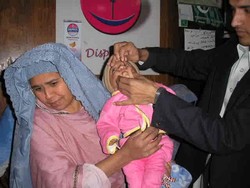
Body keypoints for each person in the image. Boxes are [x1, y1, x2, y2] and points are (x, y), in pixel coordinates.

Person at [109, 0, 250, 187]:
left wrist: (157, 97)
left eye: (247, 10)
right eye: (233, 10)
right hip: (192, 171)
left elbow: (227, 136)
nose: (234, 21)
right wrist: (142, 54)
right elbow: (190, 62)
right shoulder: (232, 49)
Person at [3, 43, 163, 188]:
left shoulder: (100, 103)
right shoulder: (39, 123)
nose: (48, 96)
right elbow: (59, 182)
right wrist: (126, 155)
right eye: (37, 89)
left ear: (70, 76)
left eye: (53, 84)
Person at [97, 56, 192, 188]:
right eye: (114, 70)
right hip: (130, 144)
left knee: (153, 176)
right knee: (134, 179)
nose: (121, 68)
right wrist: (111, 139)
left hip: (157, 141)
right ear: (110, 83)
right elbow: (105, 124)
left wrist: (152, 87)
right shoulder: (113, 102)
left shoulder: (150, 90)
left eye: (126, 65)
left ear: (136, 72)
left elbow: (170, 98)